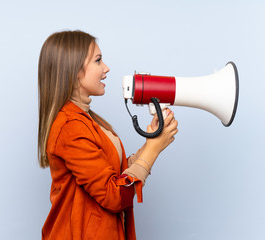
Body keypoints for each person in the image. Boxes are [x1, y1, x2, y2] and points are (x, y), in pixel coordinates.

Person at [38, 30, 178, 240]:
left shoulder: (87, 120)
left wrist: (150, 143)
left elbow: (115, 174)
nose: (106, 68)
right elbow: (114, 196)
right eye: (98, 60)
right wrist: (153, 150)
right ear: (74, 69)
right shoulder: (70, 126)